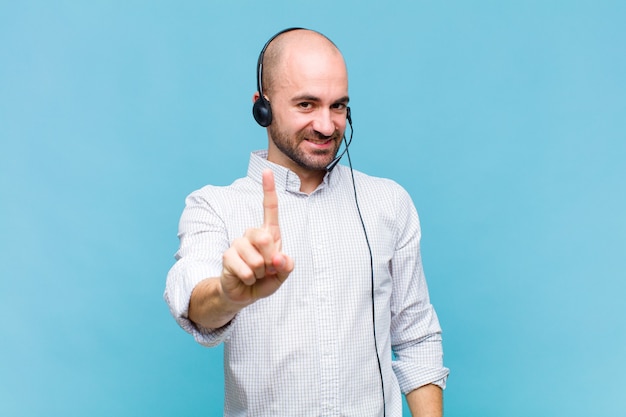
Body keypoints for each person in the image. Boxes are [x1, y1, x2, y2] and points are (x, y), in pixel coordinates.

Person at [165, 28, 449, 416]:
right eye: (306, 105)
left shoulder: (389, 203)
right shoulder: (213, 207)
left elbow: (417, 337)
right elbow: (194, 299)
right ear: (261, 107)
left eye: (338, 106)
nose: (327, 126)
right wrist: (228, 295)